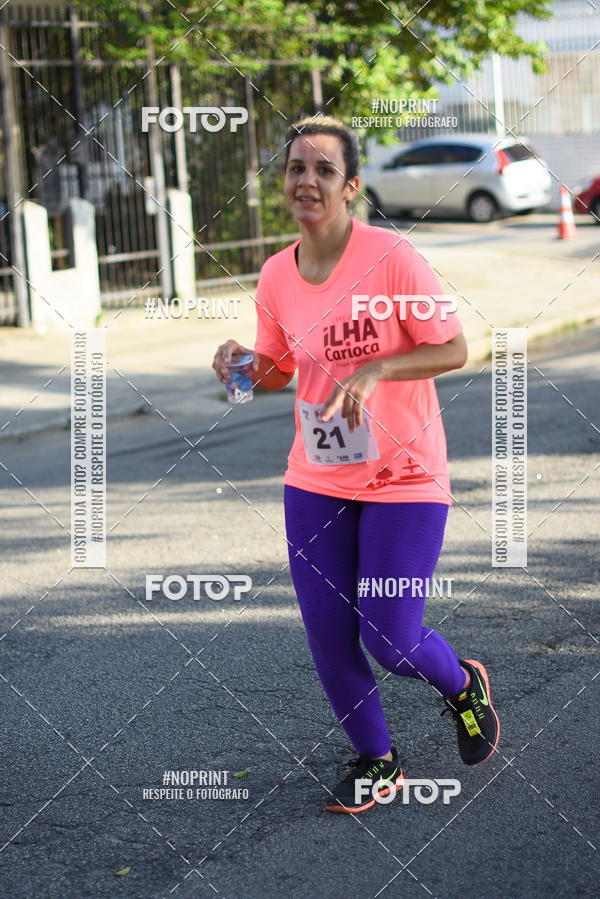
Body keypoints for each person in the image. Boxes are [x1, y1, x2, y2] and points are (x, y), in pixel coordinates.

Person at [212, 115, 500, 814]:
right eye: (295, 169)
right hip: (315, 476)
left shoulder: (391, 257)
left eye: (323, 170)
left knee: (391, 636)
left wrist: (377, 367)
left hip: (404, 475)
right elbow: (279, 369)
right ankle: (378, 758)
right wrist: (238, 366)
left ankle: (462, 683)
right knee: (329, 633)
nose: (306, 180)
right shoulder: (278, 272)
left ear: (351, 187)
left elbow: (454, 348)